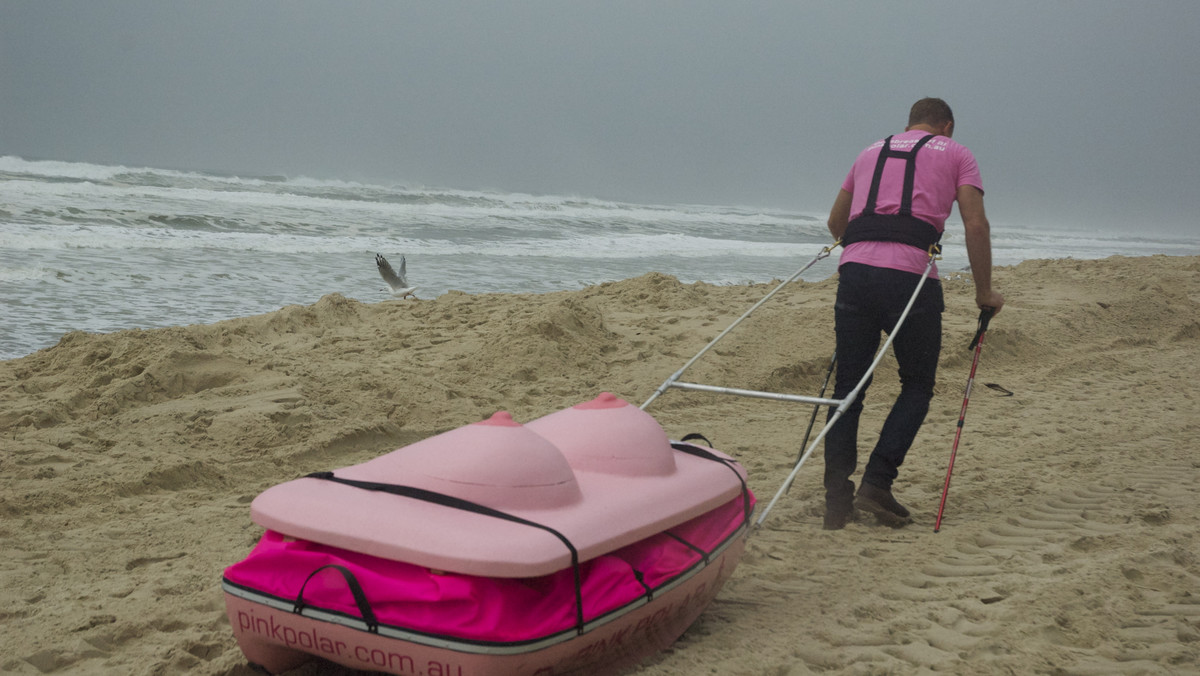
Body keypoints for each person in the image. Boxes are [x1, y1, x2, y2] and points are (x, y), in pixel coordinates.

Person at [821, 97, 1004, 530]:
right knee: (917, 384)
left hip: (856, 273)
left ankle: (836, 501)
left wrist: (868, 246)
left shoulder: (869, 151)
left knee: (848, 387)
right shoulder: (957, 153)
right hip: (910, 279)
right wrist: (984, 291)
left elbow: (835, 222)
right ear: (948, 126)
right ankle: (877, 484)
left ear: (909, 123)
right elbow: (976, 223)